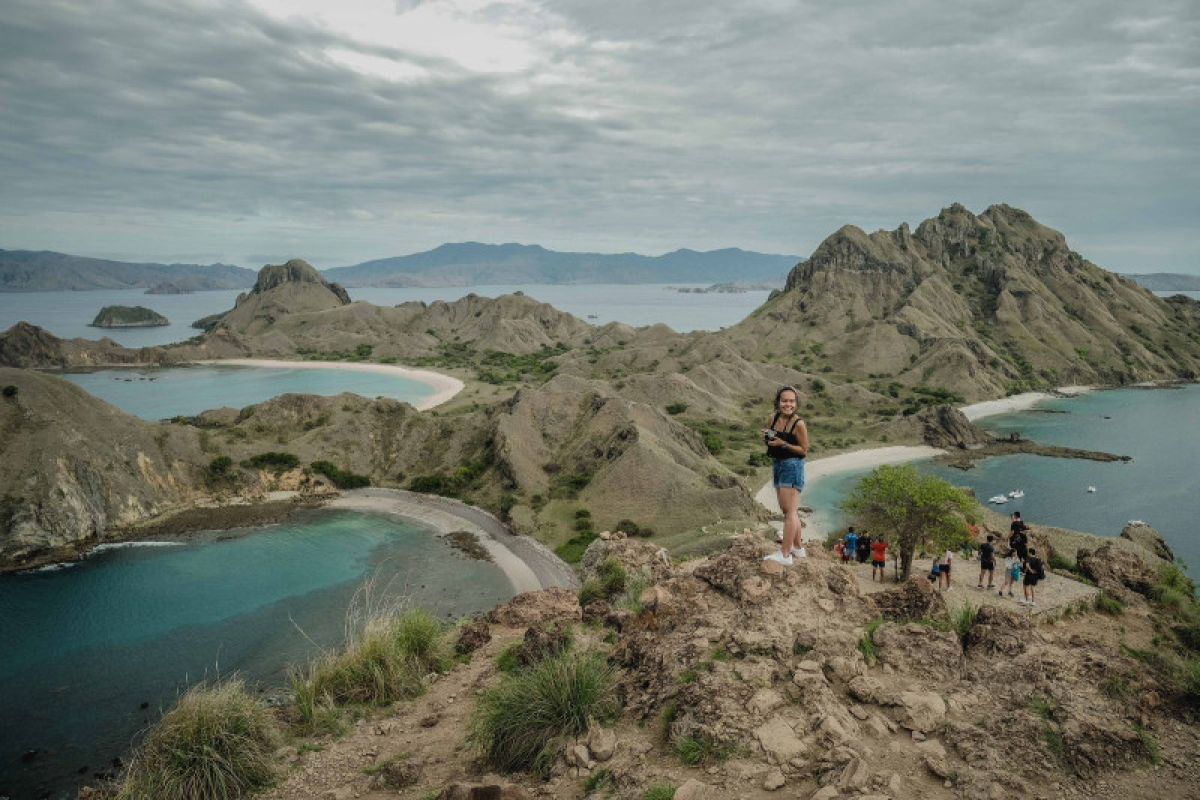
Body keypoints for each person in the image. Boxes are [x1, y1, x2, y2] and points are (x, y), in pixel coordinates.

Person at [762, 386, 809, 566]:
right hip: (778, 464)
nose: (788, 404)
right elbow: (769, 437)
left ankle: (785, 554)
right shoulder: (773, 418)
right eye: (784, 401)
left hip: (792, 466)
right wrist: (769, 436)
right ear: (778, 401)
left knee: (789, 512)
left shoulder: (799, 424)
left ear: (796, 403)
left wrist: (784, 444)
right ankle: (797, 547)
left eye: (791, 401)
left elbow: (804, 450)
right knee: (789, 510)